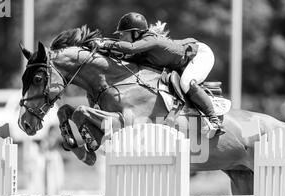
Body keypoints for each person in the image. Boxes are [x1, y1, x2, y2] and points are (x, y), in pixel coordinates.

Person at [95, 12, 225, 136]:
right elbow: (123, 57)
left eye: (123, 34)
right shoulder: (142, 46)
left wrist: (105, 43)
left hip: (200, 54)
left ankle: (215, 121)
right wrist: (99, 49)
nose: (120, 37)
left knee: (186, 83)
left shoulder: (151, 40)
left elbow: (130, 48)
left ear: (136, 33)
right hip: (183, 61)